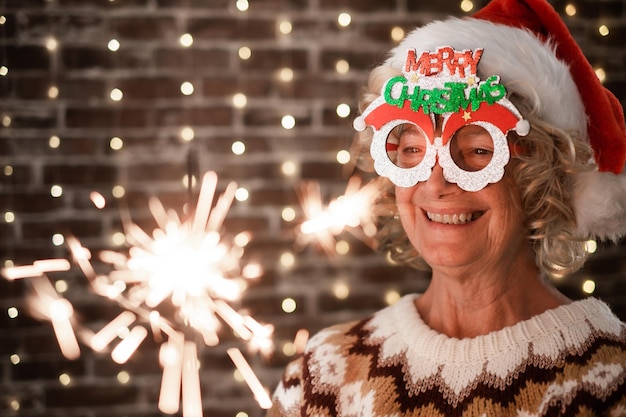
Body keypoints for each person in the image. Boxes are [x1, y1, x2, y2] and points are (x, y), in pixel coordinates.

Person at [267, 0, 626, 415]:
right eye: (413, 149)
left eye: (476, 150)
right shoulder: (322, 374)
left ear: (540, 177)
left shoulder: (611, 382)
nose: (436, 183)